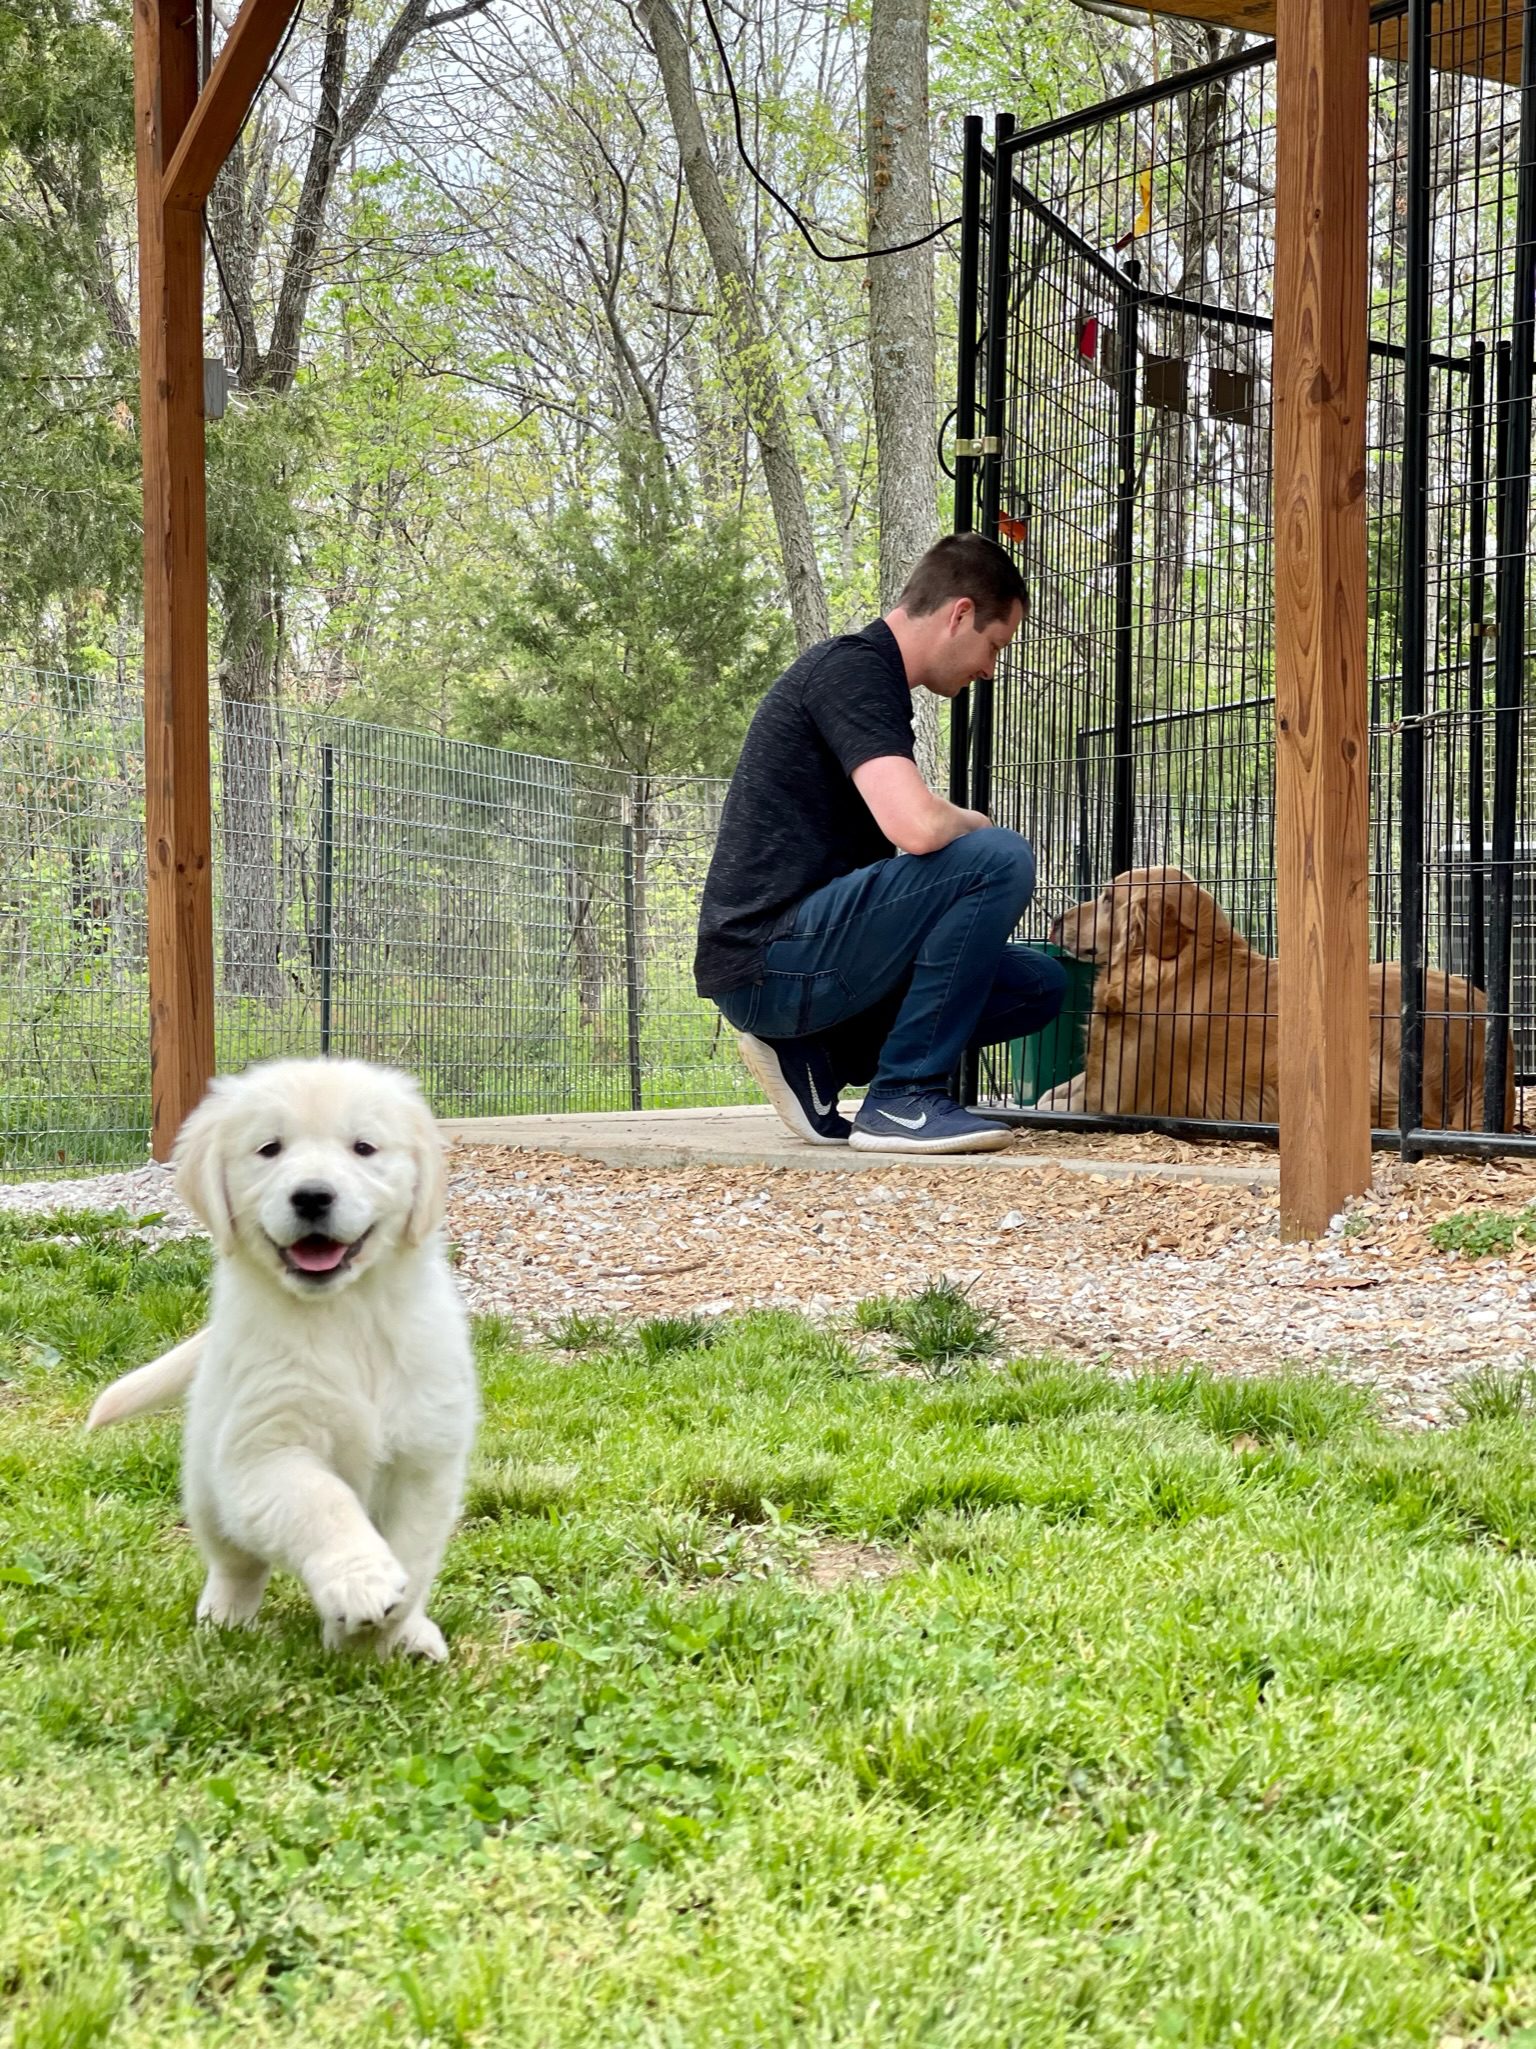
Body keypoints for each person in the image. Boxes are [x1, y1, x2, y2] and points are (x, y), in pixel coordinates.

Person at [694, 533, 1066, 1154]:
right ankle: (905, 1098)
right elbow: (915, 828)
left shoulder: (872, 680)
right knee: (999, 857)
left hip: (802, 959)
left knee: (1036, 984)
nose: (988, 669)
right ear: (961, 614)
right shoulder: (852, 668)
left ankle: (818, 1059)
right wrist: (977, 827)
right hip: (767, 960)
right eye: (994, 646)